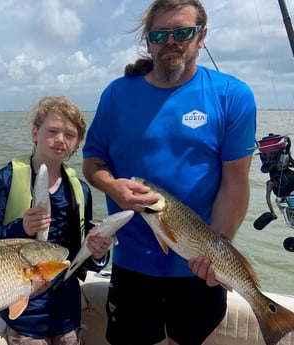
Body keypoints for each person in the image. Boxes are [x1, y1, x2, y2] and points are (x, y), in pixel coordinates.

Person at [81, 0, 257, 344]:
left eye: (183, 32)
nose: (171, 41)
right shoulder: (117, 94)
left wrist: (218, 250)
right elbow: (92, 162)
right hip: (131, 265)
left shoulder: (233, 96)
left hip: (198, 266)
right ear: (148, 41)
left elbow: (236, 184)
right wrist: (112, 186)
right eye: (160, 34)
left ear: (201, 36)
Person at [0, 96, 112, 345]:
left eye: (70, 135)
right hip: (24, 312)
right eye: (53, 131)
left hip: (67, 310)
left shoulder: (80, 190)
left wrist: (99, 253)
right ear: (35, 132)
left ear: (77, 143)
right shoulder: (6, 180)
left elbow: (78, 257)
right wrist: (20, 227)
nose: (60, 140)